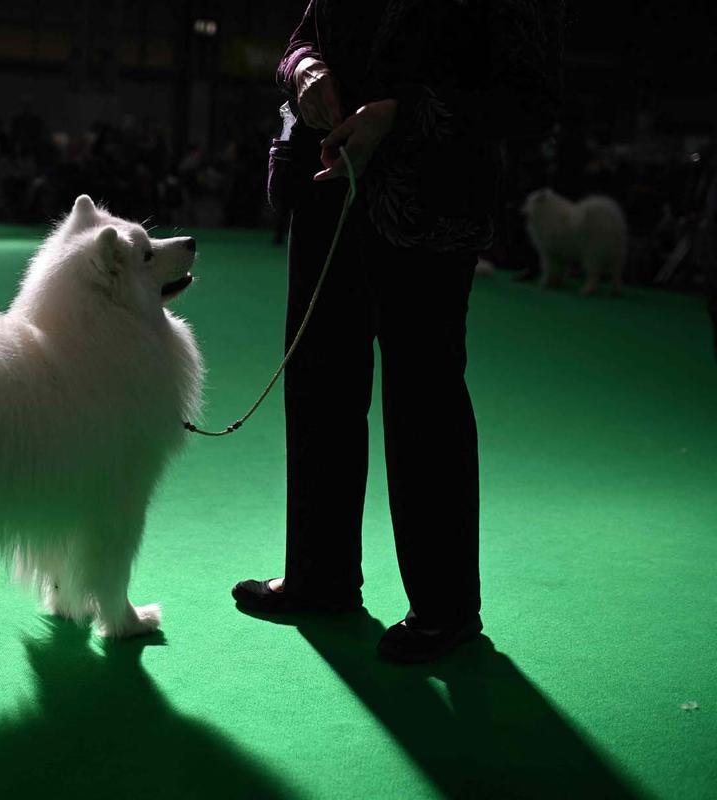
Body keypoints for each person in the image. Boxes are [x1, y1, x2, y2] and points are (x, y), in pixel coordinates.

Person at [232, 0, 564, 663]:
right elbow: (301, 39)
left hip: (431, 202)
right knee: (319, 380)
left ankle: (445, 611)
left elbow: (532, 97)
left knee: (424, 395)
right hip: (327, 189)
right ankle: (320, 577)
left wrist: (401, 115)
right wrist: (305, 73)